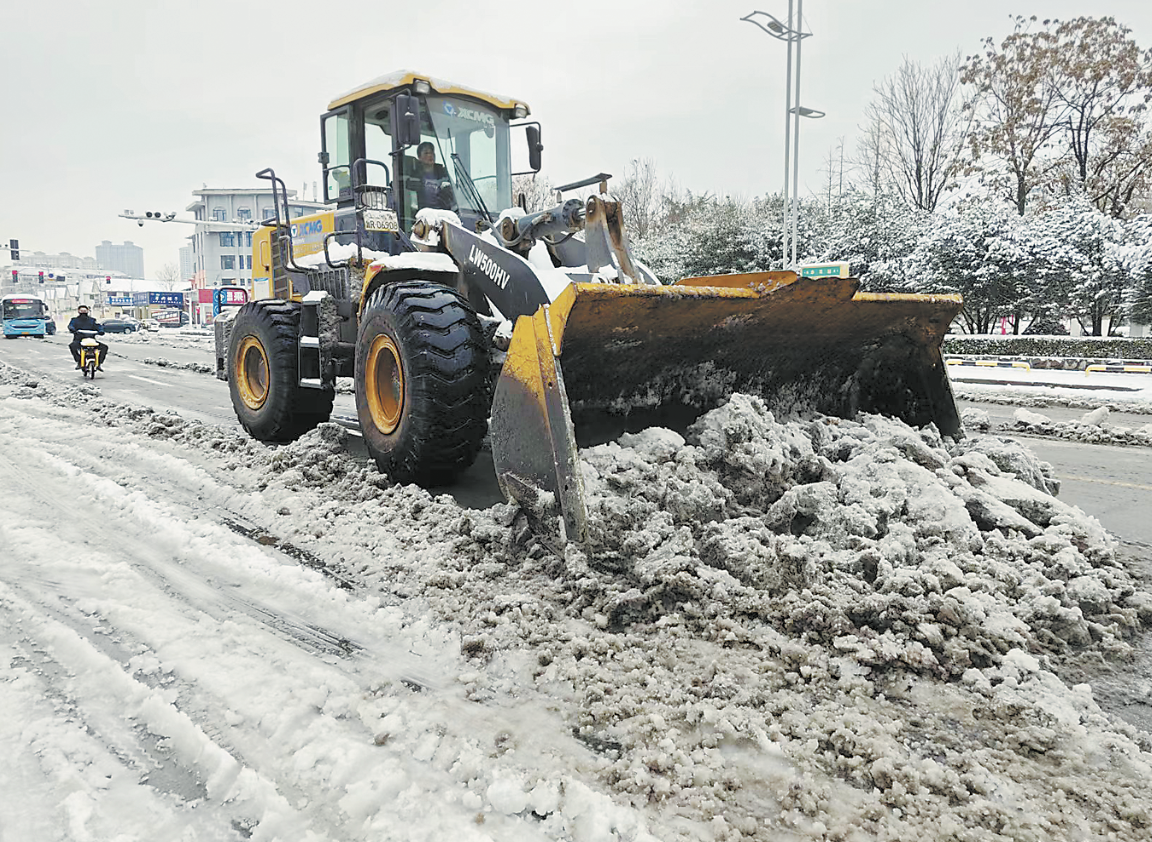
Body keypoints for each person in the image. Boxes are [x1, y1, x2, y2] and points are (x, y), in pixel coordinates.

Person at [414, 141, 454, 210]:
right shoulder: (415, 176)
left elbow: (454, 194)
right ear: (419, 157)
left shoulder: (443, 174)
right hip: (424, 214)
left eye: (432, 152)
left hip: (443, 213)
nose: (430, 155)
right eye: (426, 153)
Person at [67, 305, 108, 370]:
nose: (83, 312)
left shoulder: (92, 320)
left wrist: (101, 331)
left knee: (104, 347)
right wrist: (72, 329)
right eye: (81, 310)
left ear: (88, 311)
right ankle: (79, 361)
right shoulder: (74, 320)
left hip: (91, 340)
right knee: (72, 346)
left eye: (85, 310)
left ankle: (99, 363)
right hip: (79, 340)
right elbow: (71, 326)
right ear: (78, 311)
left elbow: (98, 326)